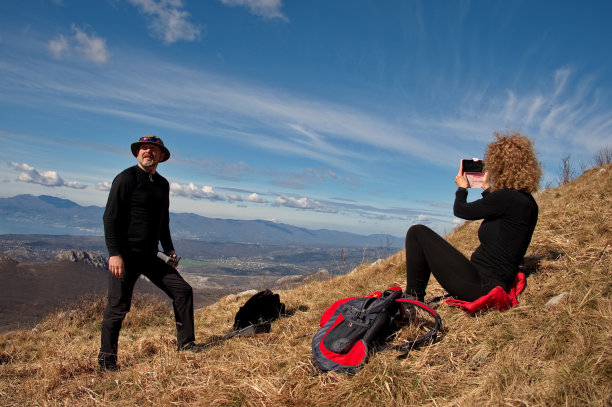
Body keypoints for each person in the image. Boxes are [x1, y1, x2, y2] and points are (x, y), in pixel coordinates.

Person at [98, 135, 200, 371]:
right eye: (144, 148)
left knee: (183, 291)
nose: (148, 152)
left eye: (153, 149)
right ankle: (107, 361)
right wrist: (114, 253)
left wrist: (169, 249)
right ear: (137, 153)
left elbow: (162, 221)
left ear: (161, 156)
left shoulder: (163, 184)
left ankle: (186, 345)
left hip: (151, 255)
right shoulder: (126, 178)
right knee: (117, 307)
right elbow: (110, 217)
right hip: (125, 256)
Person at [404, 131, 541, 304]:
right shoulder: (527, 202)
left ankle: (412, 300)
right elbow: (502, 218)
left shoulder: (506, 198)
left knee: (417, 233)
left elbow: (462, 210)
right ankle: (413, 299)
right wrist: (487, 189)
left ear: (500, 166)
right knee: (420, 235)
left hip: (481, 285)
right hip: (492, 282)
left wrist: (462, 188)